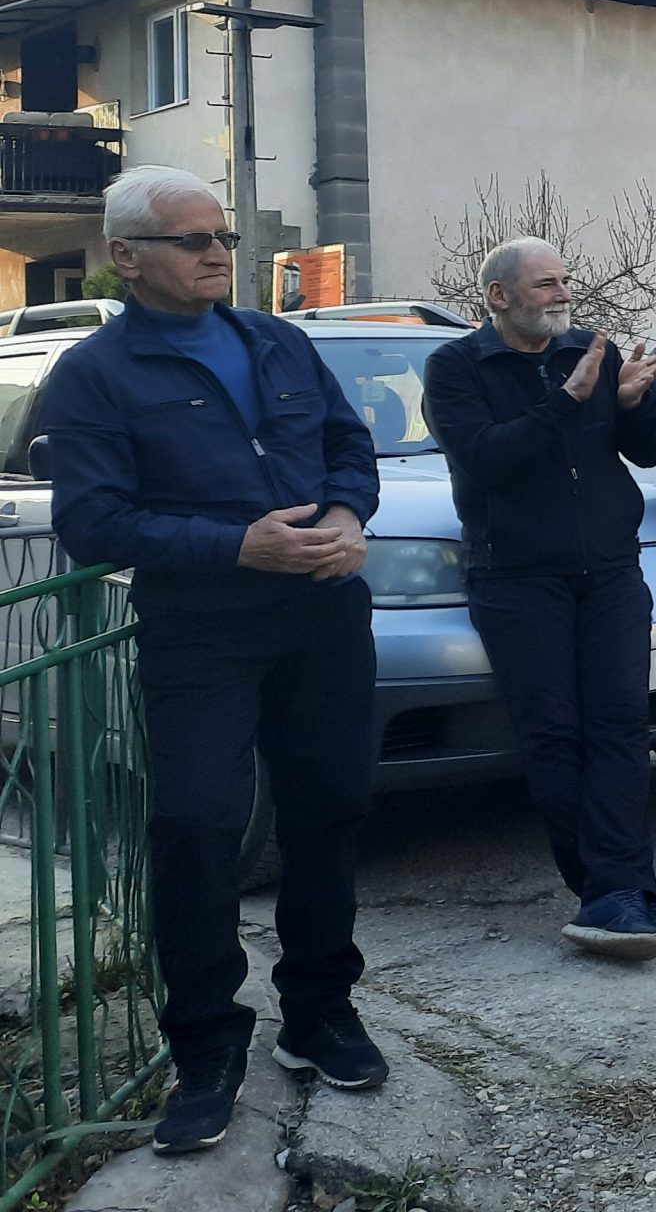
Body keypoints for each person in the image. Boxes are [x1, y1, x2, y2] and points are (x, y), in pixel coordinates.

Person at [43, 168, 386, 1155]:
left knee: (330, 810)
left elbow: (347, 445)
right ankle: (205, 1049)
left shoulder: (276, 339)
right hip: (201, 629)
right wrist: (237, 545)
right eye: (190, 239)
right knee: (194, 823)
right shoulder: (94, 375)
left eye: (222, 236)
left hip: (323, 611)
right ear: (128, 256)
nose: (216, 253)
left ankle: (320, 1016)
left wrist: (349, 517)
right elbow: (92, 522)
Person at [422, 240, 656, 959]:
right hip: (517, 578)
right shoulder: (455, 367)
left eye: (566, 279)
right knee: (554, 734)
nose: (563, 293)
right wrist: (565, 401)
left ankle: (625, 890)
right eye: (545, 283)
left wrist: (635, 401)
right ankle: (600, 888)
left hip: (611, 572)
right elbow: (487, 457)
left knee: (621, 726)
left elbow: (646, 452)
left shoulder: (588, 354)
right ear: (500, 296)